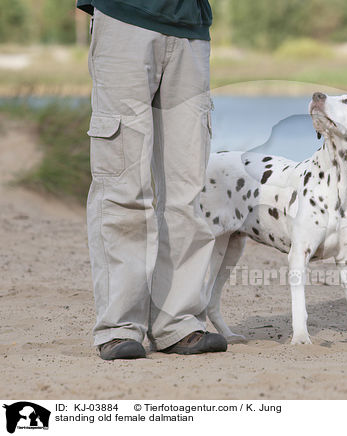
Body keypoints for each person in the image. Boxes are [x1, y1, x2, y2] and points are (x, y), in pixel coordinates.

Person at [77, 0, 227, 360]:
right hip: (124, 18)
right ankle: (119, 327)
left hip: (190, 28)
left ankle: (178, 322)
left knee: (186, 189)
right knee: (123, 183)